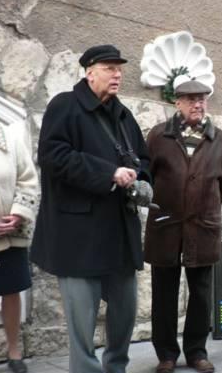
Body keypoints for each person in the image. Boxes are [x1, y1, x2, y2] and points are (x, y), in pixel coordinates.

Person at [30, 45, 151, 373]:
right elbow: (53, 157)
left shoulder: (123, 115)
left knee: (125, 312)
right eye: (110, 68)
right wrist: (108, 173)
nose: (117, 74)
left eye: (119, 69)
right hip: (78, 237)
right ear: (89, 72)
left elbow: (143, 158)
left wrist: (143, 181)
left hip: (119, 235)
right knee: (82, 326)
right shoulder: (64, 106)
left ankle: (116, 368)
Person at [144, 76, 222, 373]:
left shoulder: (221, 140)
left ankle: (196, 352)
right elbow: (147, 175)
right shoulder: (158, 136)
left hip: (203, 225)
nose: (198, 104)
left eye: (202, 99)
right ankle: (166, 354)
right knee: (163, 293)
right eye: (191, 99)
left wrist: (201, 205)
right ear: (177, 102)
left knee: (201, 294)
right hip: (166, 225)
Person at [0, 117, 38, 373]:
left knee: (11, 291)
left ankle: (14, 351)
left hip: (11, 233)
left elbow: (27, 180)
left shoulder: (10, 138)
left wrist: (19, 213)